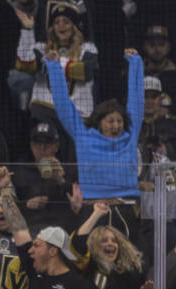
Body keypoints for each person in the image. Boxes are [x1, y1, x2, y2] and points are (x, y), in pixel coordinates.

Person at [46, 49, 145, 236]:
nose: (116, 126)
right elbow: (64, 107)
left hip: (125, 208)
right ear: (99, 123)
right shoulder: (84, 137)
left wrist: (135, 64)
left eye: (119, 121)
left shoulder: (131, 136)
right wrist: (54, 68)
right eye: (110, 121)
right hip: (91, 208)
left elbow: (137, 100)